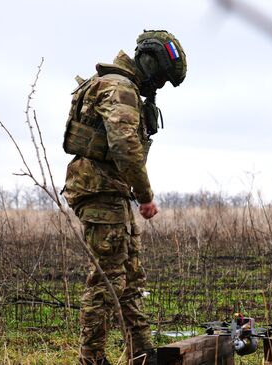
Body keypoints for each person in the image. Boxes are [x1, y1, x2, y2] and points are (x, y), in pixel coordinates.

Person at [62, 30, 187, 365]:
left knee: (130, 277)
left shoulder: (121, 87)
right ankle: (91, 359)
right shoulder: (119, 88)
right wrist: (145, 195)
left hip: (112, 192)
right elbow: (124, 147)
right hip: (99, 191)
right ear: (148, 62)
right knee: (107, 279)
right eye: (159, 79)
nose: (157, 87)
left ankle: (142, 354)